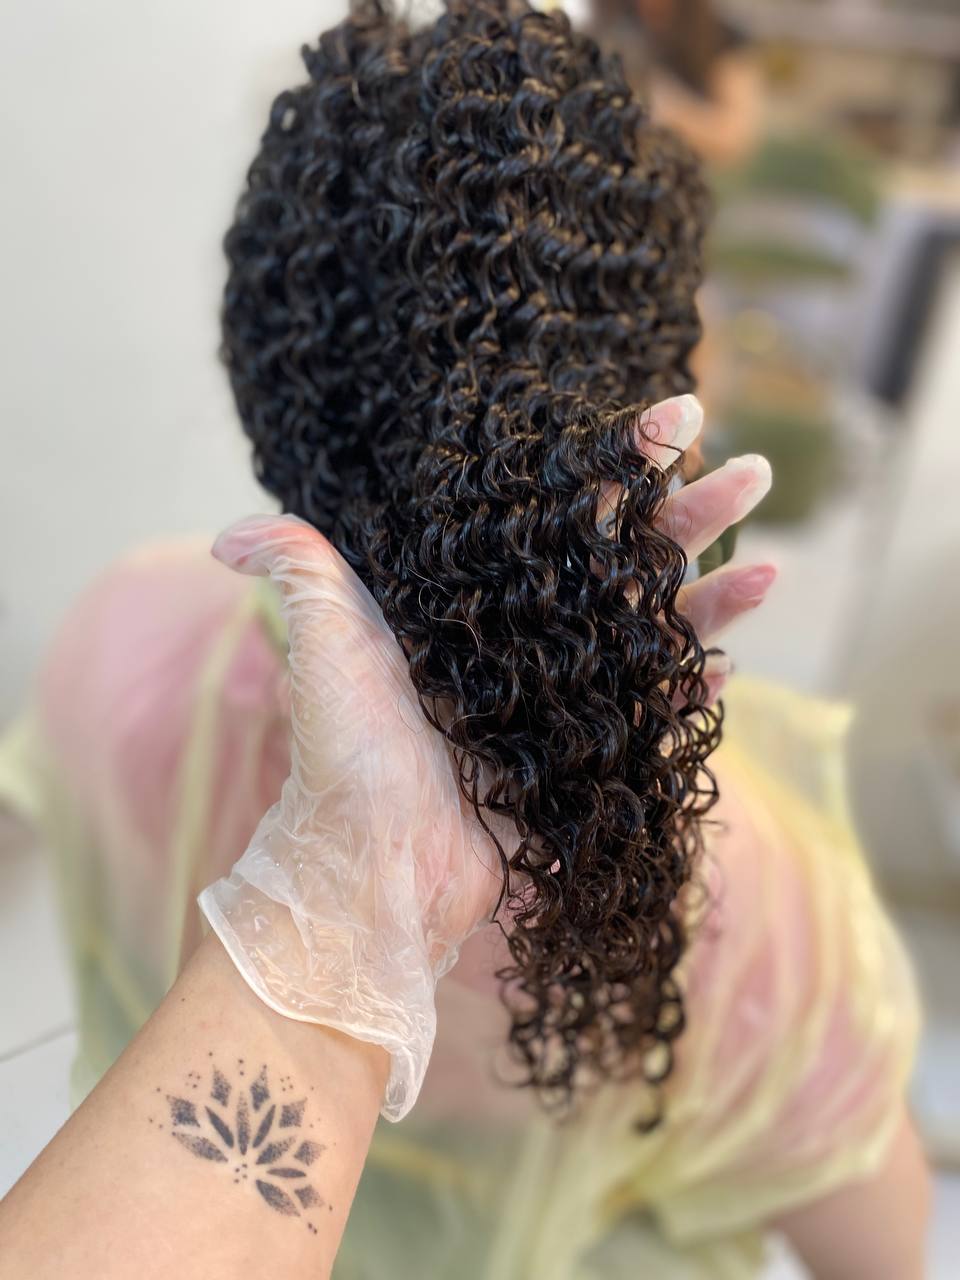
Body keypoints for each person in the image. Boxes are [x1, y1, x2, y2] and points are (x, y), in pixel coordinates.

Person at [0, 2, 929, 1275]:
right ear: (654, 393)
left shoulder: (124, 645)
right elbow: (883, 1250)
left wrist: (339, 901)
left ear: (274, 368)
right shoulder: (742, 906)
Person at [590, 0, 764, 168]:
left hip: (682, 176)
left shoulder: (723, 38)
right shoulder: (617, 26)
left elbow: (734, 138)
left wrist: (668, 108)